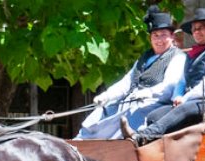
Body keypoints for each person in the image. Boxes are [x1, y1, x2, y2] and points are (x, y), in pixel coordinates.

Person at [75, 6, 185, 140]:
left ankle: (117, 146)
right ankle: (81, 142)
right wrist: (108, 95)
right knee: (104, 109)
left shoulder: (177, 57)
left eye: (163, 35)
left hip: (152, 103)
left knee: (131, 113)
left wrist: (147, 93)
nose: (159, 40)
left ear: (172, 36)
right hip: (129, 99)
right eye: (155, 35)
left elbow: (170, 86)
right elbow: (126, 82)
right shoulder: (145, 57)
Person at [132, 7, 205, 143]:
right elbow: (182, 80)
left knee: (184, 110)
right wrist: (178, 95)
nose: (196, 32)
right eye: (194, 29)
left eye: (201, 28)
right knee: (155, 115)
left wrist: (186, 98)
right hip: (196, 101)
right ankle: (153, 150)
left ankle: (143, 137)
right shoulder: (194, 53)